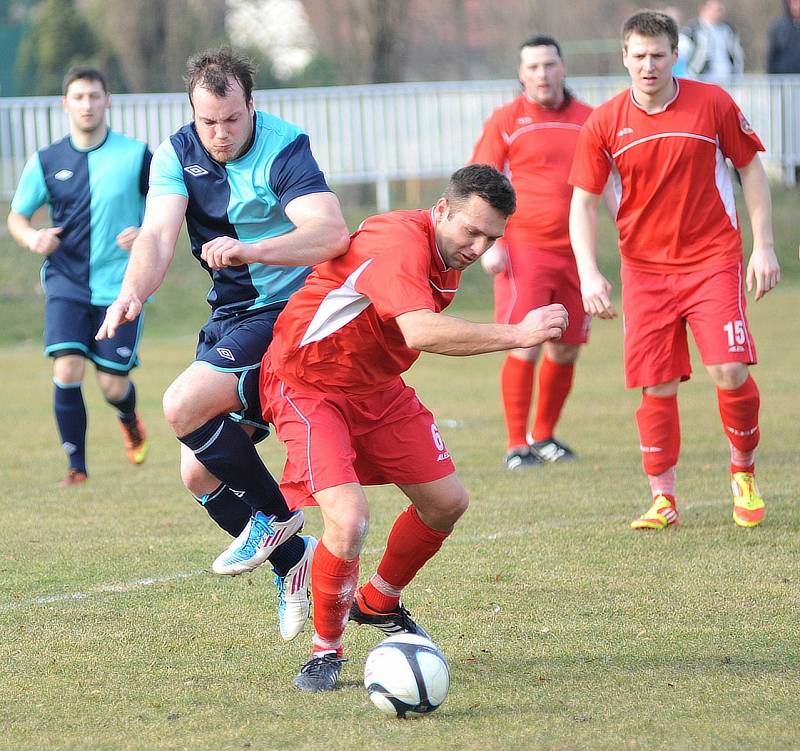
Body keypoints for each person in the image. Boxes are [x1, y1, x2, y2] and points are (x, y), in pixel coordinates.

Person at [259, 164, 569, 692]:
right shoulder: (399, 240)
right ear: (442, 209)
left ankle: (377, 602)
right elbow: (421, 330)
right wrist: (517, 333)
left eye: (490, 238)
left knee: (447, 502)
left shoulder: (448, 254)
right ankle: (325, 650)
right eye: (470, 230)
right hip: (308, 383)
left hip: (376, 388)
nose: (477, 247)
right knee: (350, 519)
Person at [97, 47, 350, 640]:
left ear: (251, 106)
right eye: (207, 120)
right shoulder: (176, 153)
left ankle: (275, 521)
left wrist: (253, 249)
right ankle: (294, 561)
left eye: (231, 119)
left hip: (293, 310)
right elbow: (158, 234)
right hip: (232, 315)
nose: (219, 133)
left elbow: (331, 233)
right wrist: (133, 293)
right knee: (197, 475)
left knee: (182, 404)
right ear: (192, 112)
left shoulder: (285, 147)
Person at [569, 11, 780, 531]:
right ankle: (663, 498)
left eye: (658, 55)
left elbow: (750, 168)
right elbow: (583, 203)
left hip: (712, 260)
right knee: (657, 384)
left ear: (674, 55)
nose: (648, 65)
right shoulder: (604, 122)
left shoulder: (712, 103)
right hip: (644, 273)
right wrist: (589, 273)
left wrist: (764, 247)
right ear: (624, 57)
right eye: (638, 56)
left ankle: (743, 474)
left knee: (728, 370)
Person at [7, 66, 151, 487]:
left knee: (111, 384)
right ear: (65, 104)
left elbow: (172, 204)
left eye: (94, 96)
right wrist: (31, 237)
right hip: (66, 282)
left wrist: (146, 233)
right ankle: (77, 468)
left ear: (108, 101)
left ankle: (128, 417)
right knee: (67, 369)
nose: (86, 104)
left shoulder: (136, 154)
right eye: (78, 97)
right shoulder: (47, 160)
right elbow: (17, 216)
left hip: (123, 286)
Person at [470, 35, 594, 469]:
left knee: (567, 345)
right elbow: (481, 185)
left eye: (549, 65)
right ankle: (515, 445)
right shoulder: (505, 119)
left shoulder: (588, 119)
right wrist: (491, 244)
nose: (542, 74)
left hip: (578, 252)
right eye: (533, 67)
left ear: (563, 68)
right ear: (521, 74)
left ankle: (544, 438)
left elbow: (610, 182)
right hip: (525, 250)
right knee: (525, 341)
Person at [682, 0, 744, 84]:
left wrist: (737, 76)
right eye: (716, 9)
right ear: (703, 9)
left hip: (727, 81)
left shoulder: (729, 30)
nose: (719, 13)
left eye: (721, 9)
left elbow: (738, 55)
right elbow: (682, 58)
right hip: (701, 81)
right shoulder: (691, 30)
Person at [767, 0, 800, 73]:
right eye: (793, 3)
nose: (796, 6)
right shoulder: (779, 28)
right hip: (783, 81)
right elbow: (772, 58)